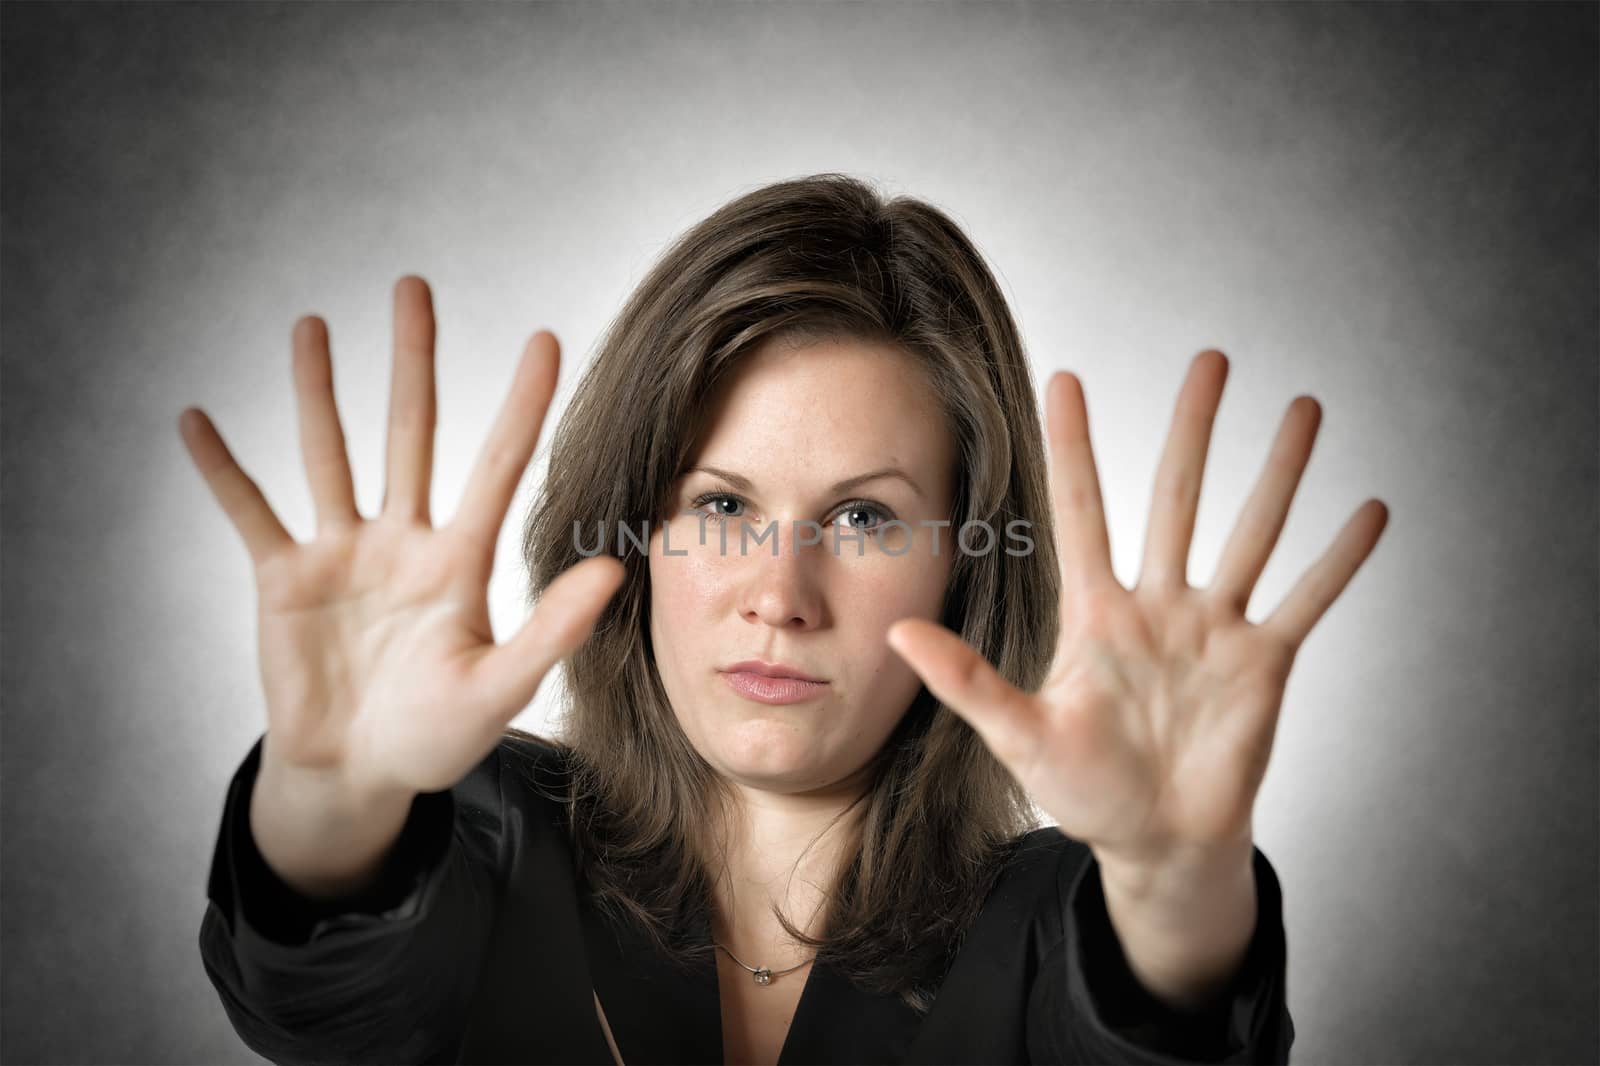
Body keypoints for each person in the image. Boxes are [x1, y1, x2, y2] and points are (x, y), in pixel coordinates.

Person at [184, 173, 1385, 1064]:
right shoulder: (481, 834)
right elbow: (310, 992)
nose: (780, 593)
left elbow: (1162, 1034)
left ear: (965, 570)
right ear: (633, 534)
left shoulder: (1057, 921)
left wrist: (1179, 879)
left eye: (864, 520)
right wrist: (331, 788)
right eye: (720, 504)